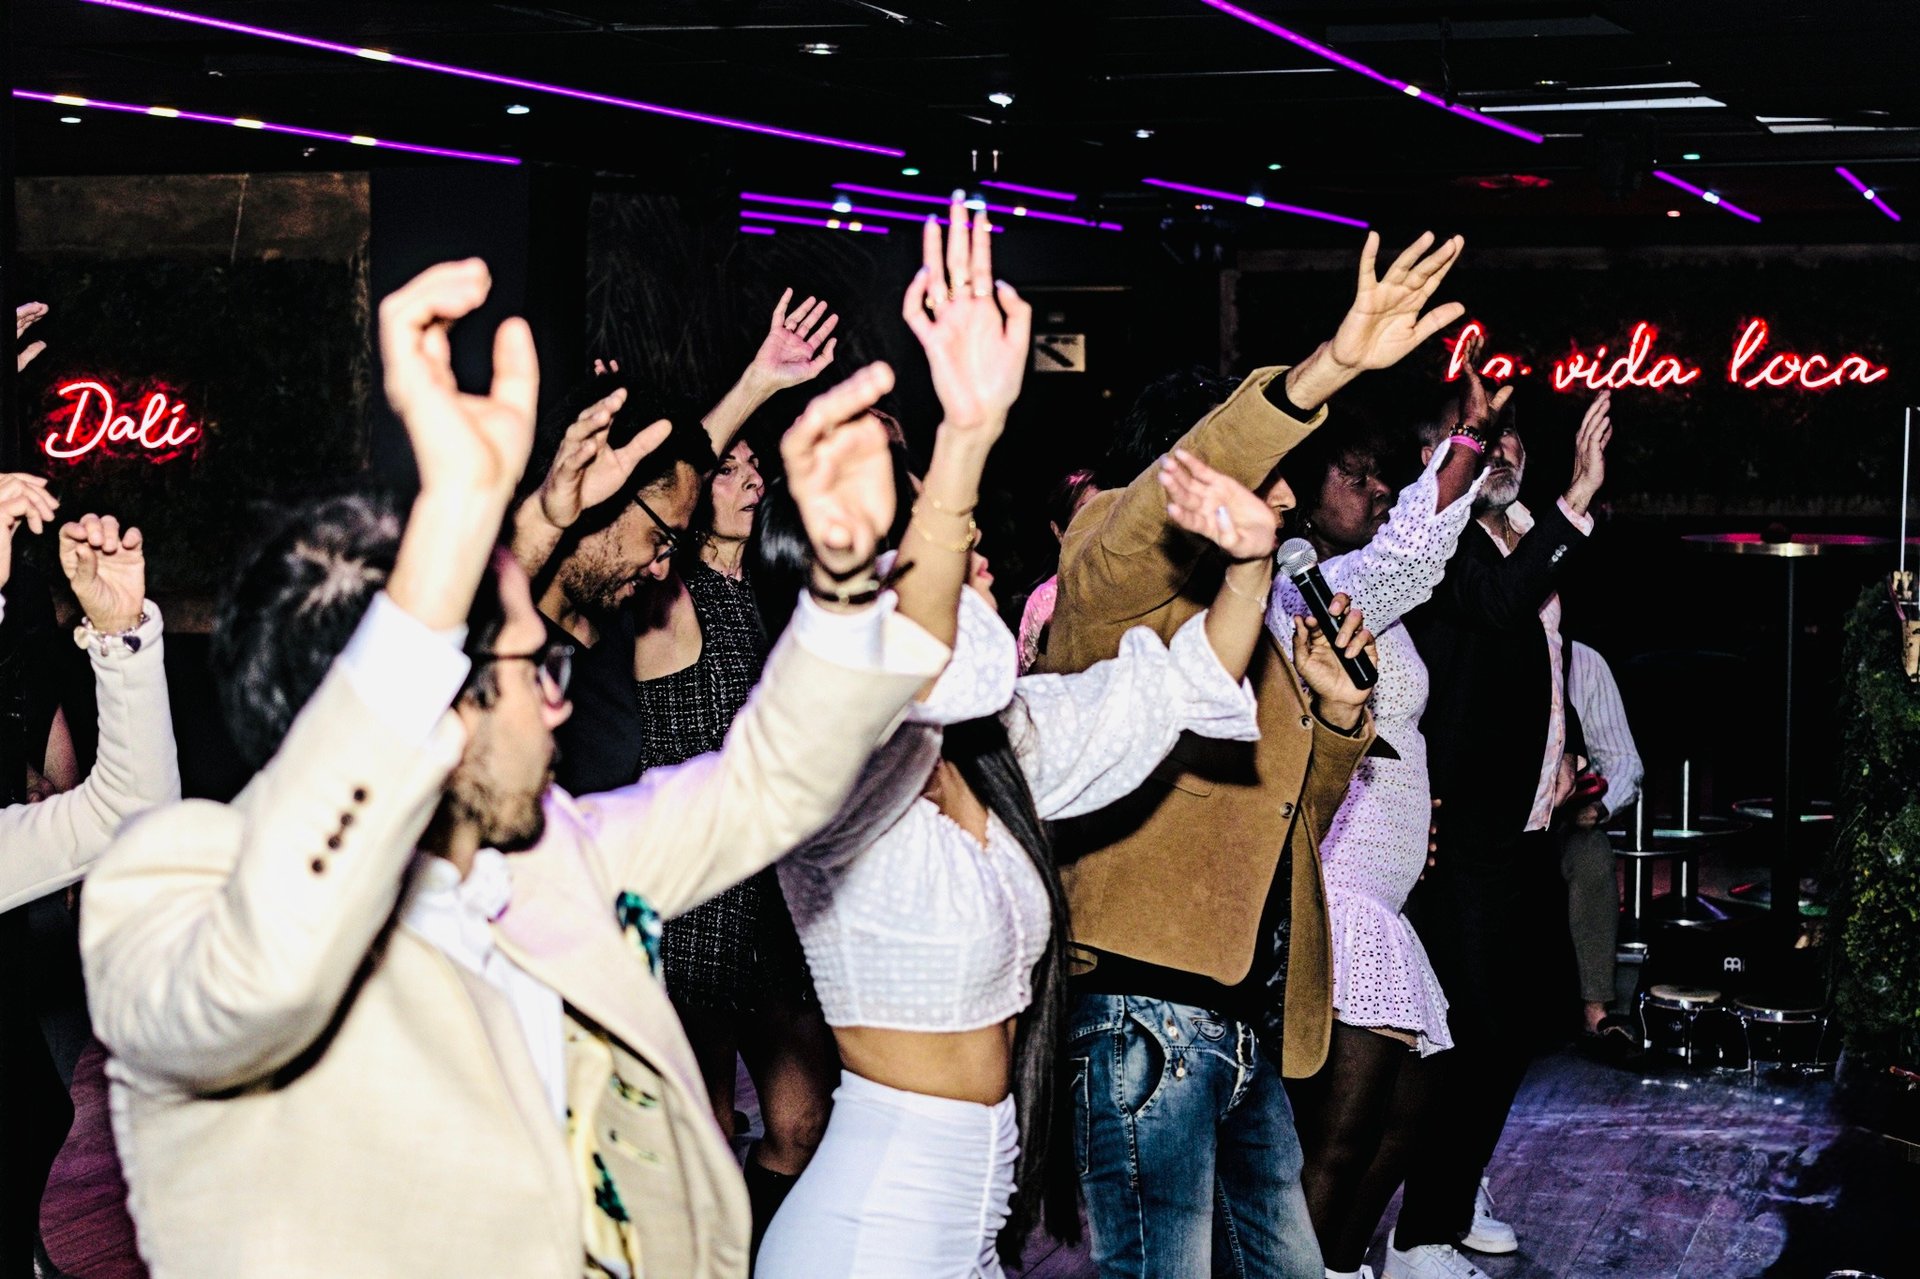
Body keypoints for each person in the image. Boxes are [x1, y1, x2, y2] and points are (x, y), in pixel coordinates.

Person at [79, 258, 949, 1279]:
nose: (560, 699)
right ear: (435, 701)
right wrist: (452, 522)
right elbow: (263, 974)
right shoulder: (169, 886)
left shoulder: (542, 859)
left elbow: (767, 784)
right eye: (536, 669)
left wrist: (844, 585)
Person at [1038, 230, 1467, 1279]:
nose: (1283, 499)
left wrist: (1337, 716)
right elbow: (1176, 487)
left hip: (1237, 1014)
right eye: (1265, 476)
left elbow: (1291, 821)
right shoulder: (1110, 566)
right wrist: (1327, 370)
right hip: (1143, 1010)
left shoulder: (1252, 620)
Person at [1269, 357, 1506, 1279]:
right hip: (1343, 894)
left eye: (1383, 476)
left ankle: (1332, 1269)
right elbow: (1411, 553)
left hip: (1380, 891)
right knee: (1341, 1139)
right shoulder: (1308, 591)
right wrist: (1468, 443)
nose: (1376, 491)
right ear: (1300, 491)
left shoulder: (1359, 594)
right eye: (1356, 475)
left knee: (1403, 1119)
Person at [1386, 390, 1613, 1279]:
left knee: (1516, 1027)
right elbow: (1499, 608)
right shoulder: (1438, 539)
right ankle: (1420, 1233)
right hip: (1456, 823)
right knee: (1475, 1031)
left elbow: (1538, 657)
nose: (1503, 447)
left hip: (1524, 823)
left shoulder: (1518, 530)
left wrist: (1567, 746)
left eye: (1510, 433)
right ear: (1435, 457)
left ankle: (1455, 1187)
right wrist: (1579, 498)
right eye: (1481, 435)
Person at [1561, 639, 1643, 1040]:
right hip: (1496, 821)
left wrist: (1598, 808)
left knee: (1592, 855)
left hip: (1563, 819)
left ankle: (1595, 1010)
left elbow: (1624, 760)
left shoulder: (1585, 662)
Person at [1015, 466, 1100, 671]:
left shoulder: (1137, 574)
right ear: (1059, 531)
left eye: (1105, 506)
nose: (1100, 519)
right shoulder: (1046, 599)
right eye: (1086, 511)